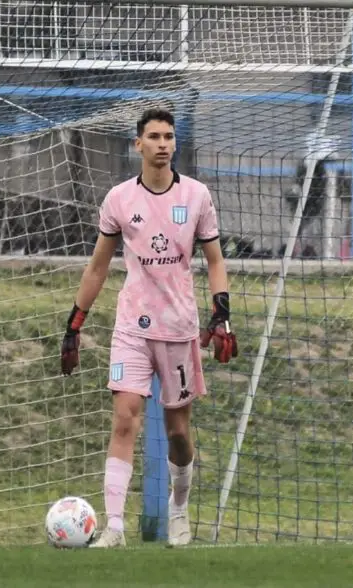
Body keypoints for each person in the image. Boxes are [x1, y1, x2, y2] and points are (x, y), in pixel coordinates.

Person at [59, 107, 238, 549]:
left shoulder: (197, 196)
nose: (162, 143)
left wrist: (222, 315)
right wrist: (74, 325)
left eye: (169, 136)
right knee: (125, 419)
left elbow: (215, 261)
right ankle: (114, 528)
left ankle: (179, 509)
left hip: (178, 329)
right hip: (131, 328)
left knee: (178, 432)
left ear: (175, 144)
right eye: (154, 136)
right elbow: (98, 269)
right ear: (137, 144)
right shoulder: (119, 199)